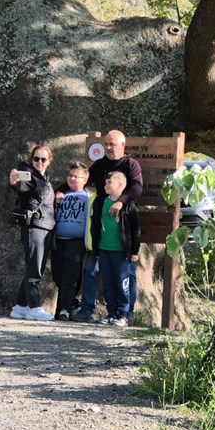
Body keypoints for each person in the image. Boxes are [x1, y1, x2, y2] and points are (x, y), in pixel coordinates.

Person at [72, 130, 144, 323]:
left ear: (122, 145)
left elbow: (136, 187)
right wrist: (60, 191)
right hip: (101, 230)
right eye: (106, 144)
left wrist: (121, 201)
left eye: (112, 144)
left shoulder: (131, 165)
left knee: (126, 276)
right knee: (92, 271)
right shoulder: (101, 164)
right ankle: (92, 309)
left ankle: (126, 314)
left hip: (122, 233)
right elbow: (83, 180)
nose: (108, 148)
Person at [7, 145, 56, 321]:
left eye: (43, 159)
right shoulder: (27, 174)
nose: (39, 162)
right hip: (34, 227)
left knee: (35, 268)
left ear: (49, 161)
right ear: (31, 160)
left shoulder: (45, 179)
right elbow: (20, 185)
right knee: (34, 268)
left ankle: (20, 307)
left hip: (47, 227)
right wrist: (13, 180)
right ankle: (34, 307)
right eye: (36, 159)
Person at [94, 171, 140, 327]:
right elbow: (95, 226)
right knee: (108, 283)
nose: (106, 185)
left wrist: (134, 251)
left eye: (110, 183)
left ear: (121, 185)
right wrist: (96, 249)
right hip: (104, 249)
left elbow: (135, 231)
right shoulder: (101, 202)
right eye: (105, 183)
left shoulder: (129, 206)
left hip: (121, 252)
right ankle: (112, 312)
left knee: (122, 283)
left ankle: (124, 314)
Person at [50, 162, 91, 320]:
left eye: (76, 176)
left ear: (85, 179)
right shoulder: (60, 194)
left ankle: (64, 310)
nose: (72, 178)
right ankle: (72, 303)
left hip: (77, 241)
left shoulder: (88, 197)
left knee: (70, 276)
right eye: (70, 175)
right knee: (57, 274)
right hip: (58, 240)